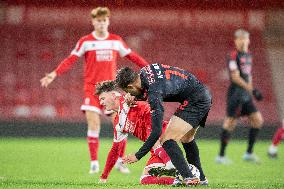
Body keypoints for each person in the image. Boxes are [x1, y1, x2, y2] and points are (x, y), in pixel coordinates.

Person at [40, 7, 148, 174]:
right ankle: (94, 163)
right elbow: (71, 59)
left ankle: (120, 161)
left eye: (104, 20)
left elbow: (132, 56)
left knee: (121, 125)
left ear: (108, 22)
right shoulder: (86, 41)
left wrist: (149, 68)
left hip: (111, 90)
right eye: (98, 21)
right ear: (93, 22)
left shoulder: (115, 40)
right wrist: (54, 74)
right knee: (94, 123)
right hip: (92, 90)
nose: (102, 23)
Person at [115, 63, 212, 186]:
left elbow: (156, 131)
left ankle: (189, 178)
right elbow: (146, 88)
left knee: (166, 139)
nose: (129, 93)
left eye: (127, 91)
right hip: (201, 93)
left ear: (129, 85)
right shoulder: (144, 71)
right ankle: (201, 179)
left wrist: (138, 155)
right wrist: (135, 96)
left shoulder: (154, 93)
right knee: (187, 138)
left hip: (196, 100)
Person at [95, 80, 177, 185]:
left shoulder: (128, 99)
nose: (101, 103)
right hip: (155, 147)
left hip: (163, 135)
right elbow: (115, 150)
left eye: (103, 98)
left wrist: (134, 95)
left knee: (152, 134)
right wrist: (104, 177)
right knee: (145, 180)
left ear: (113, 95)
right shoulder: (118, 124)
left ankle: (174, 165)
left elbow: (148, 91)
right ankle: (182, 180)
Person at [215, 29, 264, 164]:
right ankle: (221, 155)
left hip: (246, 94)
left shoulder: (249, 55)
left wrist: (250, 91)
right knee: (230, 123)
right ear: (236, 41)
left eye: (245, 38)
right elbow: (235, 77)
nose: (243, 41)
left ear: (248, 40)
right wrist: (253, 90)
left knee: (258, 120)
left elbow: (248, 75)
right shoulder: (232, 56)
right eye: (240, 39)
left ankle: (248, 153)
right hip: (236, 94)